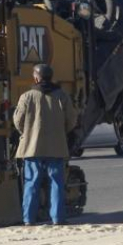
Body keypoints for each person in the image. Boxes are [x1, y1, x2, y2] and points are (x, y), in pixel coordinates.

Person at [13, 63, 78, 226]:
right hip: (56, 147)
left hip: (32, 148)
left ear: (35, 77)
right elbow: (71, 120)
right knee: (56, 182)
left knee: (31, 183)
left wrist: (27, 133)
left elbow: (18, 121)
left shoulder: (26, 97)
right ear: (51, 77)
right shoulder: (62, 96)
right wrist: (61, 133)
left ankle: (28, 219)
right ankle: (58, 218)